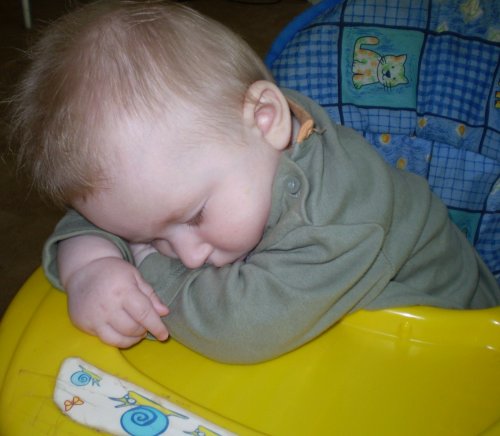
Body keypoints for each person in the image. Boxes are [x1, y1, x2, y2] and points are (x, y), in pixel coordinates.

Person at [12, 0, 499, 364]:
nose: (186, 256)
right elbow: (118, 214)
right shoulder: (222, 154)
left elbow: (241, 329)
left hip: (451, 351)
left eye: (194, 217)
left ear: (267, 119)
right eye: (151, 236)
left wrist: (146, 263)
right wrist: (90, 265)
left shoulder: (339, 214)